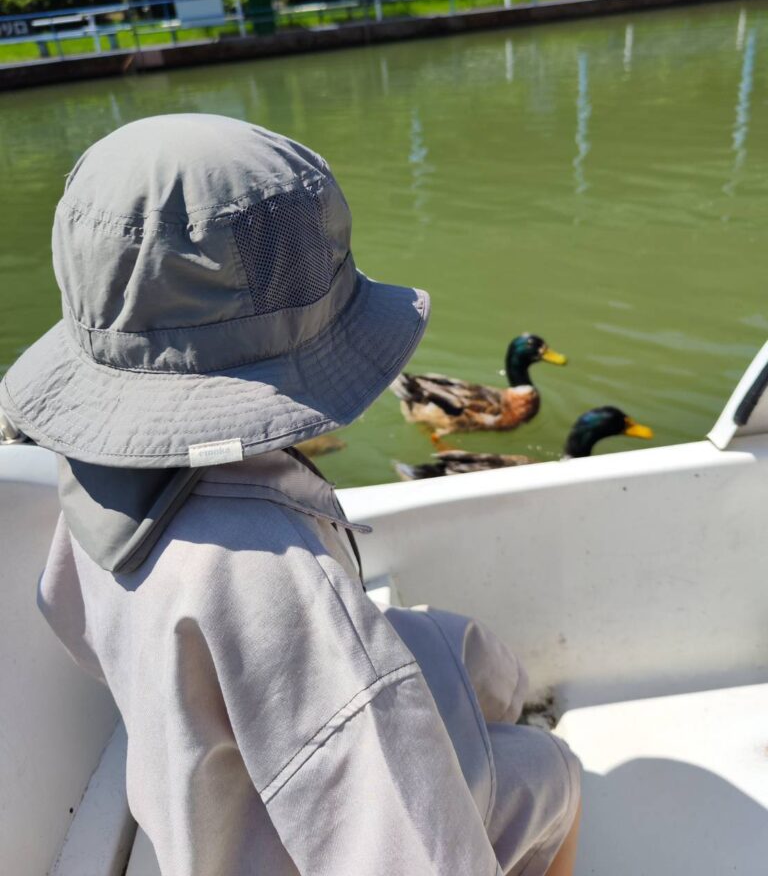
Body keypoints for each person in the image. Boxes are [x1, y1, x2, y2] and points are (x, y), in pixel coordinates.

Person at [0, 114, 581, 876]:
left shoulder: (92, 469)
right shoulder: (276, 569)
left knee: (460, 647)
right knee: (549, 772)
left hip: (201, 782)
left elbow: (70, 613)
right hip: (272, 849)